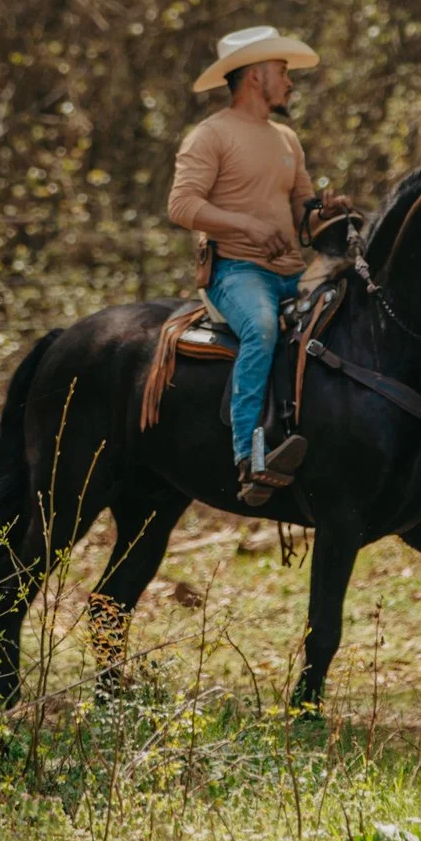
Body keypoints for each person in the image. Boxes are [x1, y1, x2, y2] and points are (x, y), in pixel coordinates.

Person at [166, 26, 349, 497]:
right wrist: (246, 227)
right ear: (254, 77)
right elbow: (182, 206)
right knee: (263, 327)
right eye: (282, 72)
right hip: (235, 273)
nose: (289, 82)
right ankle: (249, 455)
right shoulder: (210, 135)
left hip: (292, 273)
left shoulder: (287, 139)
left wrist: (324, 213)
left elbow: (302, 215)